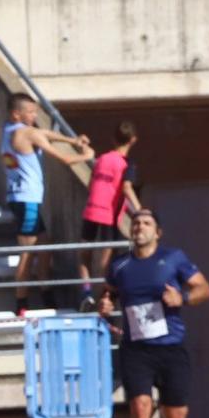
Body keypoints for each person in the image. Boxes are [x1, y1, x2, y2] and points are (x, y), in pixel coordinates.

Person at [100, 208, 209, 418]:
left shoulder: (173, 258)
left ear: (157, 233)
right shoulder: (119, 264)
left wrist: (183, 297)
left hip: (170, 347)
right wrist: (106, 305)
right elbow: (108, 291)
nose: (140, 227)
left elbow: (205, 289)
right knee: (139, 407)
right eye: (136, 223)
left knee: (175, 416)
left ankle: (166, 402)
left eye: (146, 223)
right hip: (136, 348)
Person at [0, 92, 92, 315]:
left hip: (19, 197)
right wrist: (87, 154)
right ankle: (21, 304)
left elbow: (44, 133)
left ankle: (46, 290)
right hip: (27, 199)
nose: (34, 115)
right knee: (28, 252)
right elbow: (66, 159)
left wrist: (71, 140)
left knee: (45, 243)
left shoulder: (9, 129)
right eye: (30, 112)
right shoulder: (26, 133)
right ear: (16, 114)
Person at [76, 122, 143, 309]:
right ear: (133, 140)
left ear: (113, 139)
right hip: (109, 215)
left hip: (91, 210)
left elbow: (91, 185)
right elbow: (127, 187)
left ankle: (86, 292)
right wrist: (140, 210)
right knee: (106, 261)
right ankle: (102, 299)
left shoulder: (102, 158)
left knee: (84, 255)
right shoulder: (127, 164)